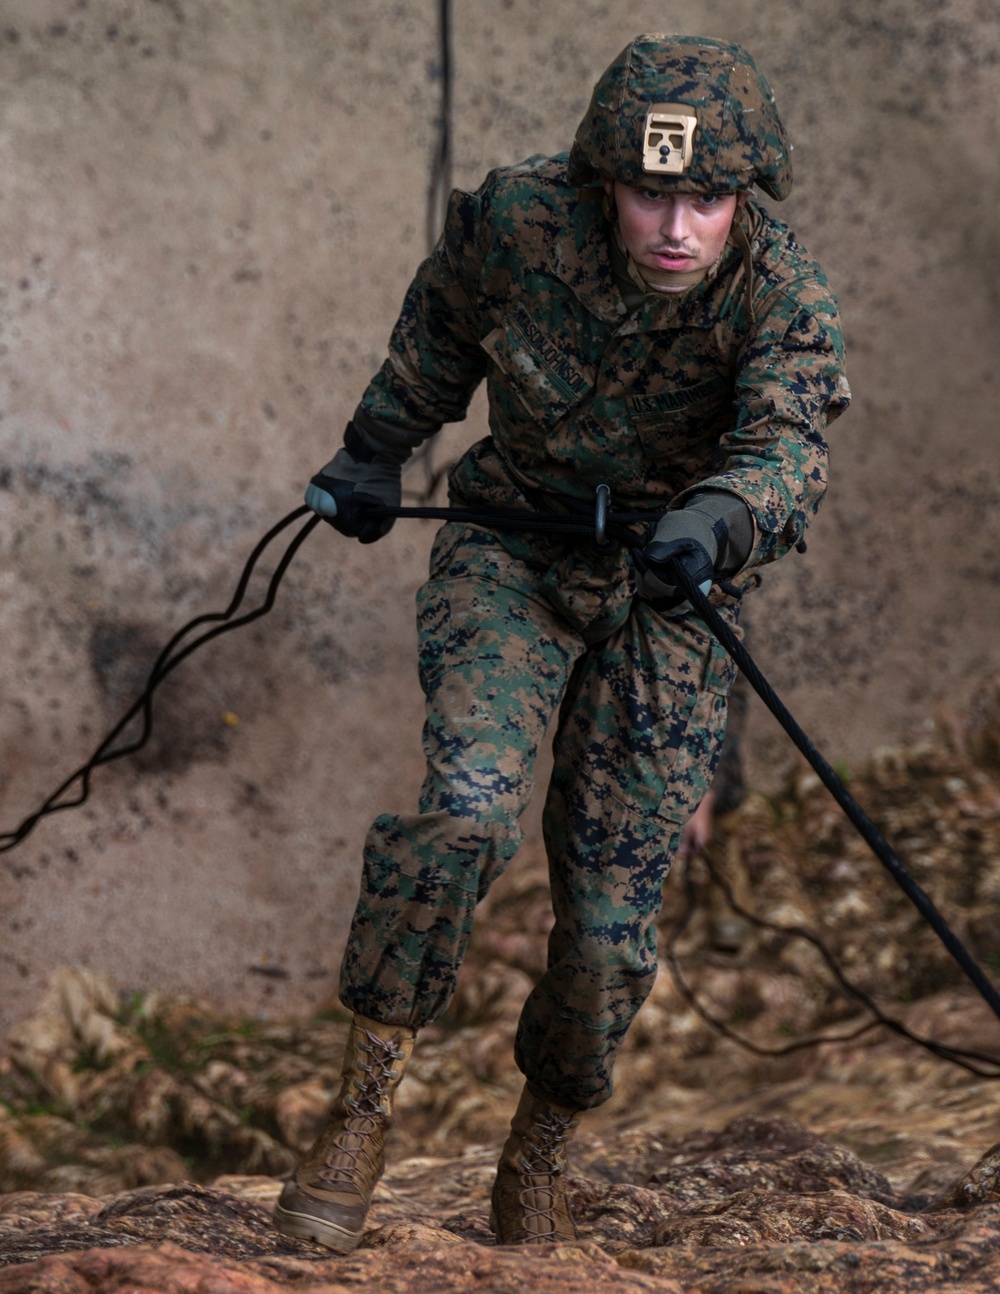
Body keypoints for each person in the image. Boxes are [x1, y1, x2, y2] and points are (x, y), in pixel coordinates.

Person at [273, 33, 850, 1251]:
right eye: (651, 193)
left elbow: (789, 444)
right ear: (606, 182)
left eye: (704, 198)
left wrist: (721, 514)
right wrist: (376, 444)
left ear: (744, 195)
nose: (676, 228)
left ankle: (536, 1152)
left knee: (605, 925)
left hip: (668, 589)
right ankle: (361, 1112)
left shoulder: (780, 295)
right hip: (514, 550)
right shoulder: (523, 221)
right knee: (464, 816)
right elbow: (443, 322)